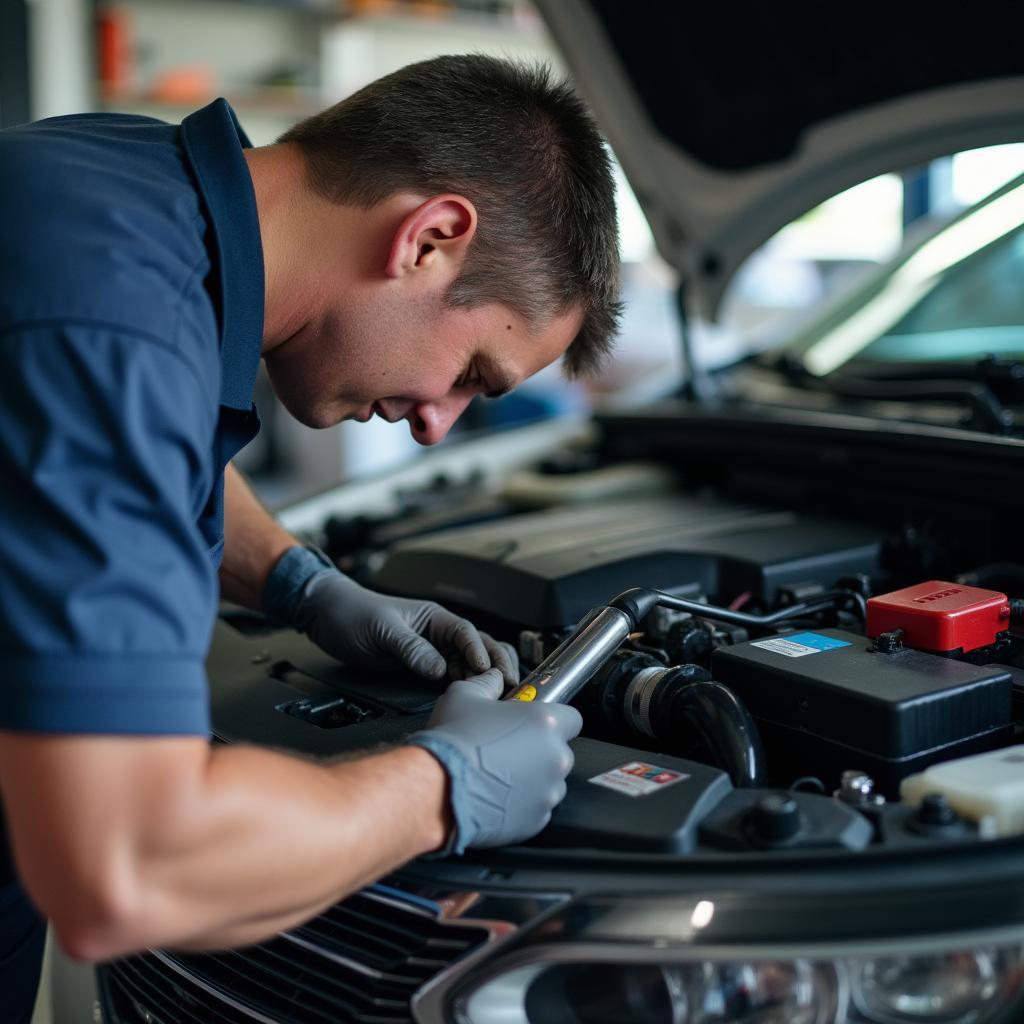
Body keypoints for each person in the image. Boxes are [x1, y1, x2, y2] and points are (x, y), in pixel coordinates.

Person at [0, 54, 620, 1016]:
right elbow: (122, 871)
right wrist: (443, 789)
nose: (436, 425)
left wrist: (300, 583)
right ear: (431, 239)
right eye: (475, 373)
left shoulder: (119, 185)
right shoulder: (109, 330)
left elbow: (144, 457)